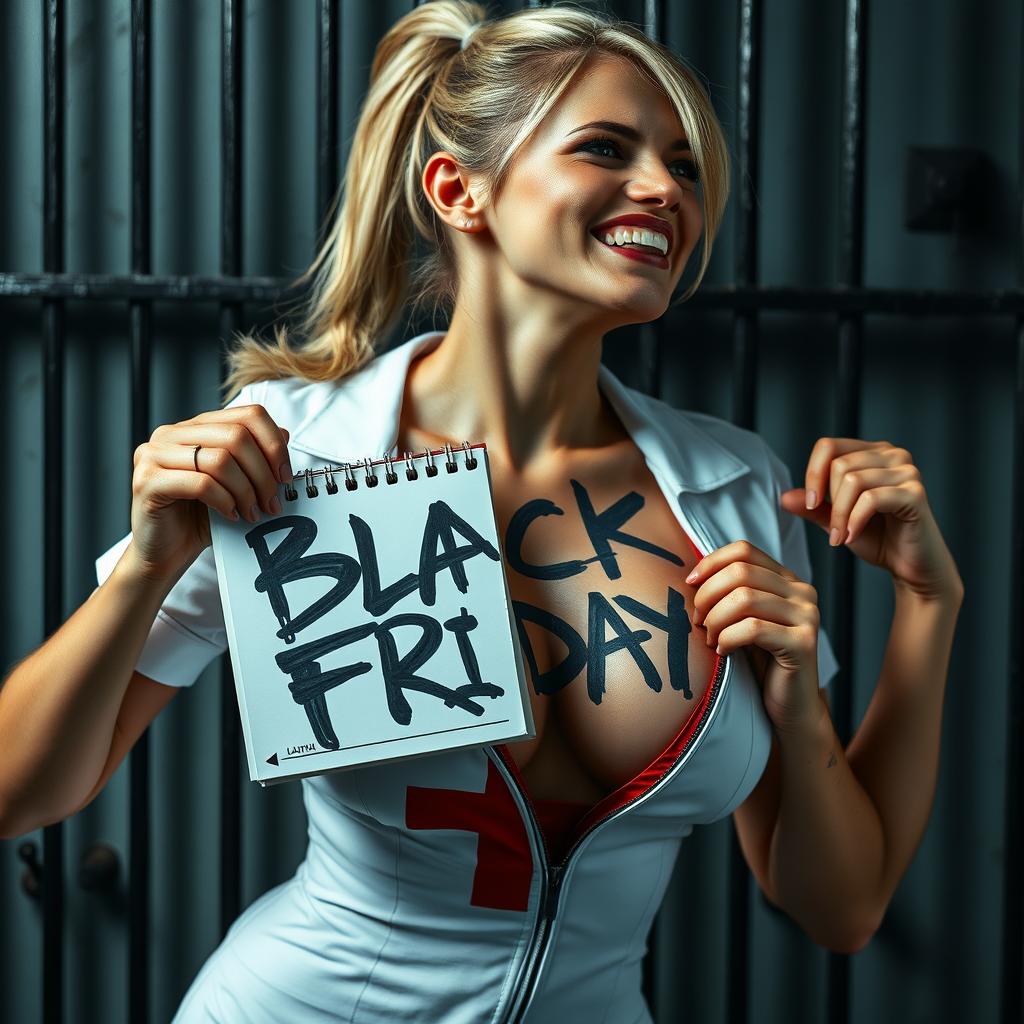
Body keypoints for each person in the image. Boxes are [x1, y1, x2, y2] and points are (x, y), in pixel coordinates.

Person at [0, 2, 964, 1021]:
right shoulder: (299, 455)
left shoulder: (729, 491)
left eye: (683, 167)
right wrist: (148, 568)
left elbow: (839, 908)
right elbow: (22, 791)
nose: (662, 189)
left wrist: (920, 609)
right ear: (459, 189)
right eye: (606, 146)